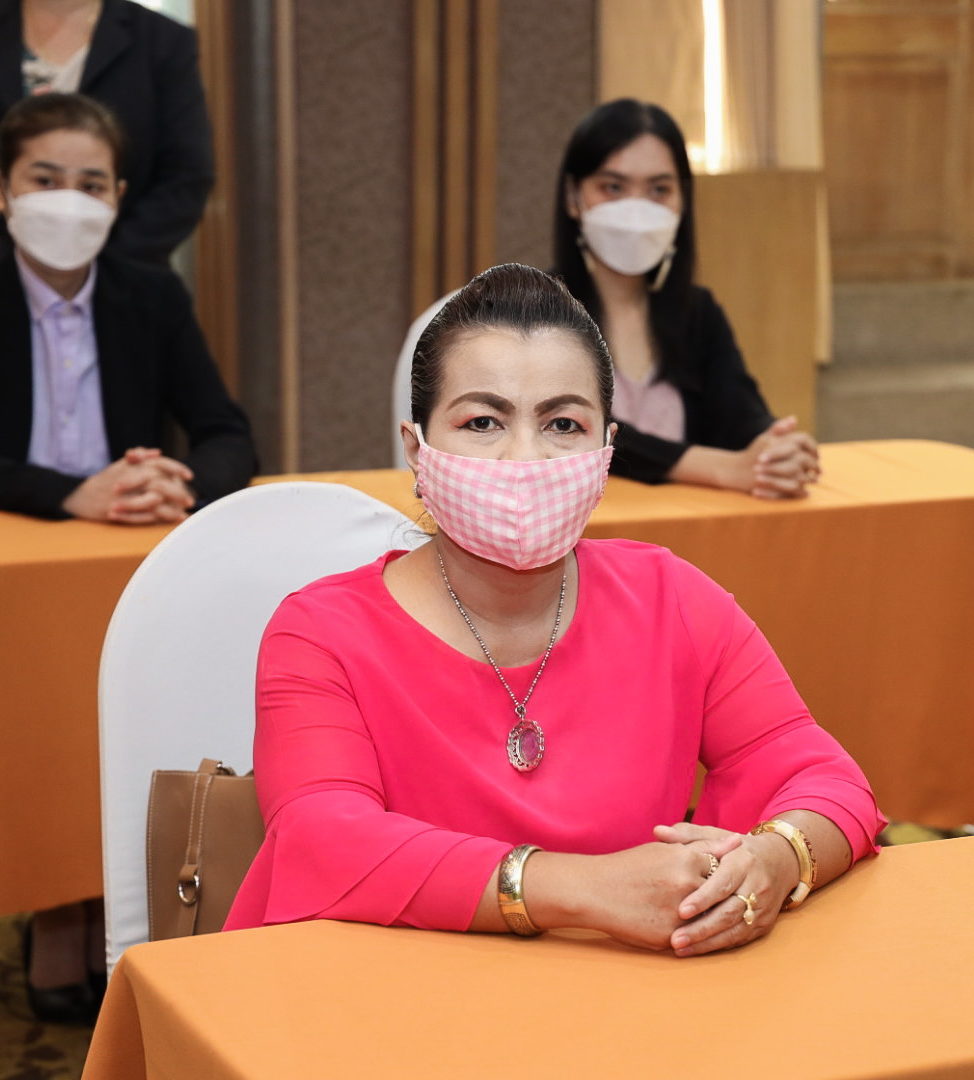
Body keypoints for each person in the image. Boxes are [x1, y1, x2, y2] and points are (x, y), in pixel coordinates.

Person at [225, 263, 881, 955]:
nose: (524, 459)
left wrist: (776, 860)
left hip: (622, 1001)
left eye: (563, 424)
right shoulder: (320, 633)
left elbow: (826, 778)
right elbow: (323, 840)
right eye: (482, 421)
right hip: (384, 997)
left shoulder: (672, 599)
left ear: (606, 452)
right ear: (417, 450)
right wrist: (581, 889)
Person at [0, 91, 255, 525]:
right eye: (45, 181)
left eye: (91, 186)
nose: (69, 204)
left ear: (117, 197)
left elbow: (227, 435)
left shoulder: (155, 298)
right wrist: (69, 494)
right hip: (5, 529)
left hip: (128, 528)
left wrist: (181, 486)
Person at [553, 98, 819, 498]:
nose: (637, 210)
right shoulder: (534, 314)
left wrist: (776, 449)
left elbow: (740, 417)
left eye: (659, 190)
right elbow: (577, 433)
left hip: (687, 532)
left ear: (682, 201)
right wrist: (718, 468)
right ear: (573, 197)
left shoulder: (697, 312)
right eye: (613, 187)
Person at [0, 0, 214, 274]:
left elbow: (187, 173)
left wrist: (99, 275)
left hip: (125, 285)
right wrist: (5, 273)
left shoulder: (164, 39)